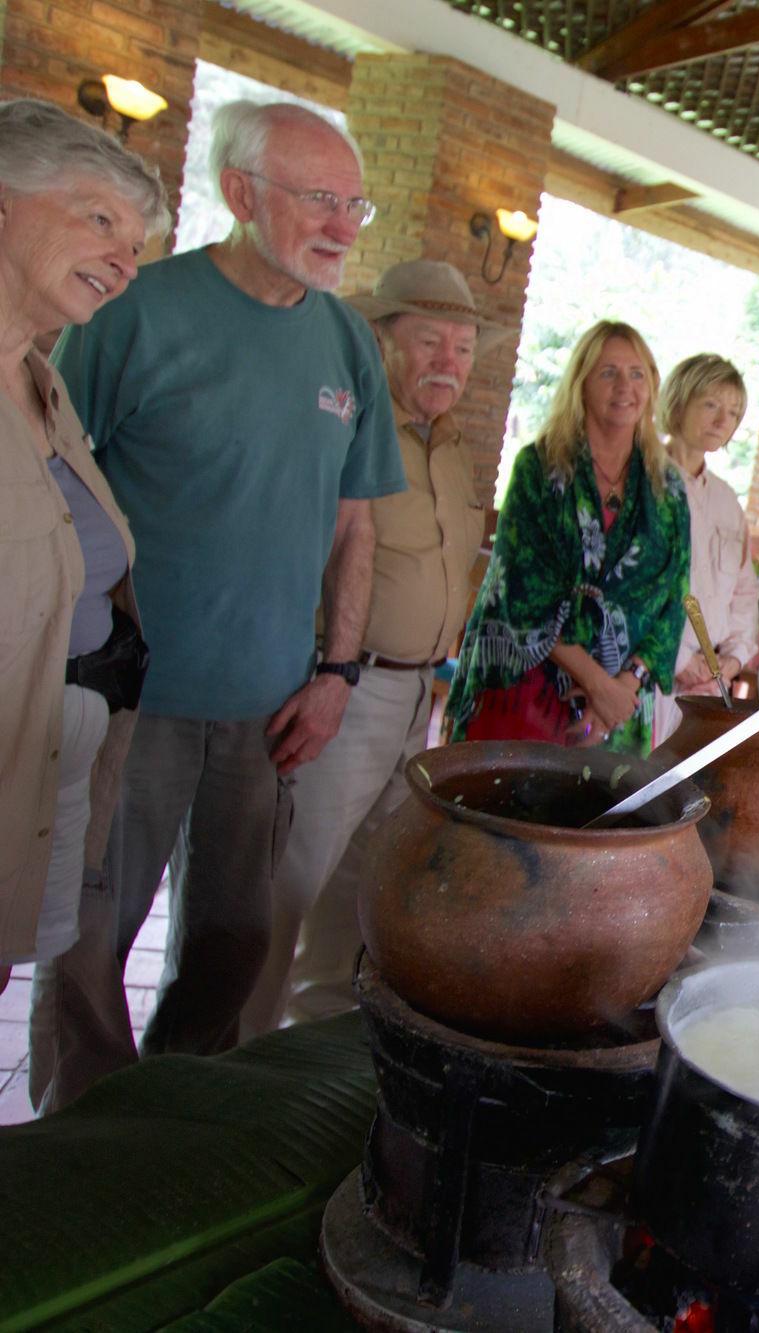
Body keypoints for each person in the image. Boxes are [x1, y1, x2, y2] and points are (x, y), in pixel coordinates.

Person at [32, 100, 404, 1111]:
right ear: (242, 195)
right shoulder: (134, 312)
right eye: (318, 199)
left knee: (233, 941)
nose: (341, 224)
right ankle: (80, 1140)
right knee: (89, 939)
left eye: (353, 204)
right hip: (131, 699)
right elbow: (54, 490)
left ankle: (172, 1120)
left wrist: (334, 675)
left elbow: (354, 529)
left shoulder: (346, 344)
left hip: (271, 704)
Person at [239, 260, 509, 1036]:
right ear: (379, 339)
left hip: (419, 694)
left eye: (462, 348)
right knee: (289, 879)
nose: (448, 363)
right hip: (343, 688)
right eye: (429, 342)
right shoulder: (346, 428)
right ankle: (233, 1064)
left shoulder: (453, 446)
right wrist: (328, 667)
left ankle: (305, 1051)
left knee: (362, 890)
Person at [0, 100, 169, 996]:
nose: (123, 259)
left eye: (135, 244)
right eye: (99, 219)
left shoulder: (43, 381)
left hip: (45, 753)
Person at [444, 321, 688, 755]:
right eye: (608, 372)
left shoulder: (666, 486)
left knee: (596, 819)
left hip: (620, 707)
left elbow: (674, 599)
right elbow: (519, 590)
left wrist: (622, 690)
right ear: (581, 383)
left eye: (637, 373)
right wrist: (598, 685)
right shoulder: (539, 467)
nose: (624, 387)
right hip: (526, 687)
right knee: (499, 817)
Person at [656, 353, 759, 745]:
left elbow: (745, 591)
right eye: (711, 405)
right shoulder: (648, 482)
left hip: (710, 681)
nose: (722, 421)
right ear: (678, 403)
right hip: (653, 673)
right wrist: (680, 660)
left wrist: (731, 658)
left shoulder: (726, 500)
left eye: (733, 412)